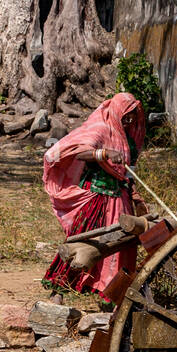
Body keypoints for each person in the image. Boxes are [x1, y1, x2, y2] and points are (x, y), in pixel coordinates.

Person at [42, 93, 146, 301]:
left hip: (121, 199)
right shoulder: (101, 129)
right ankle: (60, 290)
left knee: (121, 244)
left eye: (133, 116)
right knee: (85, 242)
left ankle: (112, 294)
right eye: (126, 115)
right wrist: (104, 154)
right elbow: (80, 152)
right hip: (97, 199)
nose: (129, 120)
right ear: (116, 111)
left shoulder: (130, 140)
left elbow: (128, 172)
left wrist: (135, 195)